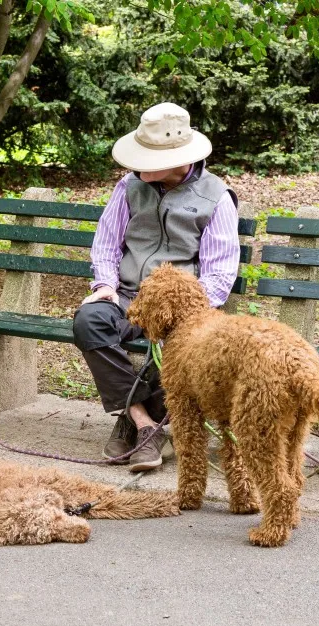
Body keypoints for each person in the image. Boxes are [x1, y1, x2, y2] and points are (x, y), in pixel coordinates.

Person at [72, 102, 241, 472]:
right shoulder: (129, 185)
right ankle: (144, 422)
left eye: (149, 159)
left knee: (179, 343)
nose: (137, 165)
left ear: (180, 158)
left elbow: (219, 275)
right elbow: (106, 243)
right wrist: (105, 285)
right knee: (88, 321)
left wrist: (178, 311)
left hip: (180, 305)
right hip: (126, 296)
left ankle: (133, 422)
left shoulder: (216, 198)